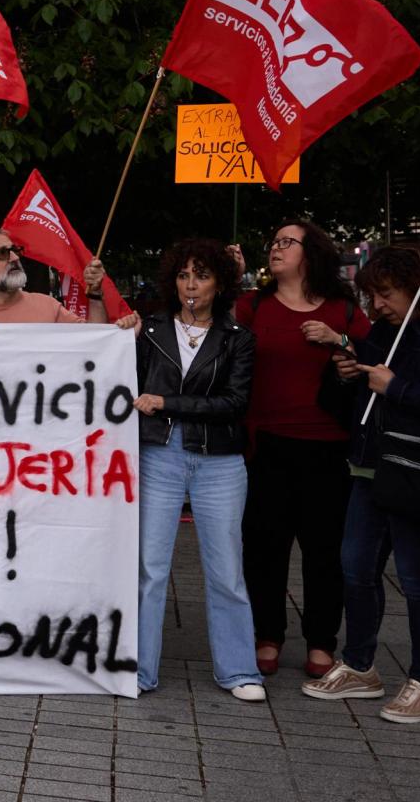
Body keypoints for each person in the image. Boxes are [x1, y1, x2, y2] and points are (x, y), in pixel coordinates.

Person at [303, 247, 420, 723]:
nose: (377, 305)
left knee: (419, 580)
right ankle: (361, 666)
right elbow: (366, 387)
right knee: (356, 569)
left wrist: (396, 385)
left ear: (418, 289)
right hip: (371, 471)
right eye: (373, 296)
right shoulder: (386, 331)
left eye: (385, 294)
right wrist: (348, 370)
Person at [129, 239, 266, 702]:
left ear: (220, 284)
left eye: (202, 275)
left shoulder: (237, 337)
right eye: (184, 275)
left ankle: (239, 669)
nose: (191, 285)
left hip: (221, 462)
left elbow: (234, 404)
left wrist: (167, 404)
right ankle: (139, 669)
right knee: (149, 568)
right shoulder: (148, 332)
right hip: (158, 457)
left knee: (226, 569)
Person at [236, 220, 372, 678]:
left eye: (286, 243)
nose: (275, 249)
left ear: (310, 253)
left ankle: (321, 642)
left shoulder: (343, 310)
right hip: (266, 446)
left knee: (324, 551)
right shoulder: (253, 305)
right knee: (264, 549)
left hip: (328, 448)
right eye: (272, 242)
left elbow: (380, 360)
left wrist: (341, 341)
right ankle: (266, 635)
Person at [0, 228, 137, 331]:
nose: (14, 258)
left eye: (14, 250)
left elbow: (93, 343)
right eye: (3, 253)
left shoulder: (48, 306)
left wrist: (95, 293)